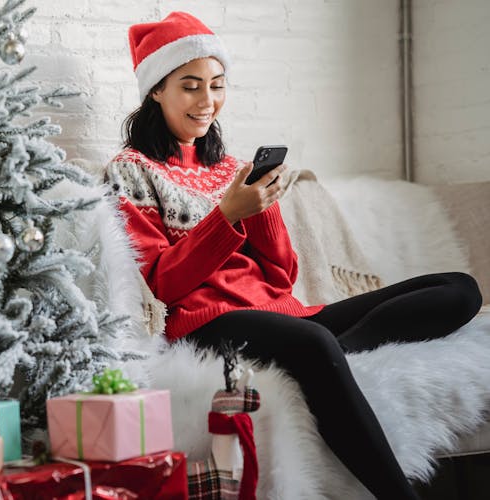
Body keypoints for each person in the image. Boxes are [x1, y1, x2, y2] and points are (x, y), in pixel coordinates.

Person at [104, 11, 484, 500]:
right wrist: (226, 218)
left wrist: (260, 208)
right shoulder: (130, 172)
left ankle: (327, 351)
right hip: (206, 320)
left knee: (459, 290)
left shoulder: (230, 168)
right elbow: (160, 285)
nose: (208, 102)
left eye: (217, 85)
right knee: (311, 343)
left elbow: (282, 276)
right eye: (191, 86)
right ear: (157, 89)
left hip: (281, 312)